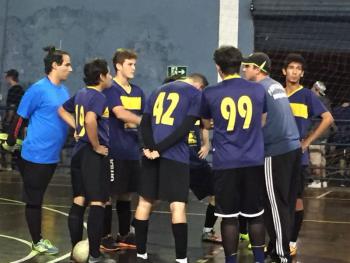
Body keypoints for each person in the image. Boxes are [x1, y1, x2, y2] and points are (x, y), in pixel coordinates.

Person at [201, 46, 267, 263]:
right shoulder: (258, 90)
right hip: (253, 161)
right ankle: (258, 260)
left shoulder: (210, 93)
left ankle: (230, 261)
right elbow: (262, 120)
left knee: (229, 218)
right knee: (255, 215)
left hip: (225, 162)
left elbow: (207, 123)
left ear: (218, 67)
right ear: (240, 65)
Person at [5, 46, 72, 254]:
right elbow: (20, 117)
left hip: (51, 156)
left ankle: (38, 240)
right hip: (35, 155)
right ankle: (37, 241)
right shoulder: (38, 89)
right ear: (55, 65)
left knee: (38, 196)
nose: (71, 69)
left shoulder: (63, 90)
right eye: (67, 64)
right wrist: (11, 140)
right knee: (35, 200)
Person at [134, 75, 202, 263]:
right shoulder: (194, 93)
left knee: (144, 203)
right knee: (177, 206)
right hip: (175, 157)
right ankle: (181, 259)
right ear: (196, 83)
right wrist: (160, 149)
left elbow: (144, 123)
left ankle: (140, 253)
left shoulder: (156, 90)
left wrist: (149, 148)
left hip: (150, 155)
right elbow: (185, 128)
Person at [242, 52, 301, 263]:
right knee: (284, 204)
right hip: (293, 149)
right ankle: (277, 245)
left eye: (247, 66)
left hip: (276, 151)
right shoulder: (275, 84)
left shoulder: (257, 89)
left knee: (275, 205)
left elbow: (260, 122)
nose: (244, 70)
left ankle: (281, 252)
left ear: (258, 69)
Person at [59, 58, 115, 263]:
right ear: (101, 76)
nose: (109, 77)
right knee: (98, 202)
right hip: (92, 154)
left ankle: (76, 252)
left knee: (79, 199)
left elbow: (62, 110)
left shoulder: (81, 93)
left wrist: (77, 128)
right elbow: (91, 120)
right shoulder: (98, 96)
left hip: (78, 152)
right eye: (108, 74)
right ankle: (94, 255)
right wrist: (97, 145)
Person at [282, 53, 334, 256]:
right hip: (276, 155)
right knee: (276, 201)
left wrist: (307, 141)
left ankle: (292, 241)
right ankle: (278, 240)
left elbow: (327, 118)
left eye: (298, 68)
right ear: (284, 71)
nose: (294, 71)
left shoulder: (307, 95)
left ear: (302, 73)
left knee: (295, 200)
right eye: (291, 67)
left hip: (297, 156)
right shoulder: (275, 93)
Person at [164, 73, 221, 243]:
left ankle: (207, 230)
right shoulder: (170, 105)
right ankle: (134, 228)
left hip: (196, 160)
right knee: (158, 201)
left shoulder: (196, 103)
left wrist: (206, 145)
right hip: (177, 160)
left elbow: (205, 125)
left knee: (216, 193)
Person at [100, 48, 145, 251]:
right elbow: (120, 114)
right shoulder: (111, 90)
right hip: (113, 150)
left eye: (134, 64)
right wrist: (145, 123)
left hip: (131, 151)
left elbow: (138, 116)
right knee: (109, 194)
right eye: (129, 64)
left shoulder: (138, 91)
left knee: (127, 194)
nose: (133, 68)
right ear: (118, 66)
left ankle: (125, 234)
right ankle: (104, 236)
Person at [309, 81, 332, 188]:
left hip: (316, 132)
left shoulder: (314, 100)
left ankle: (317, 181)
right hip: (325, 132)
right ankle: (323, 181)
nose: (311, 89)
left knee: (315, 158)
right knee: (322, 158)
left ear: (316, 89)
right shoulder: (326, 100)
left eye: (313, 87)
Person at [2, 69, 24, 170]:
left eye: (6, 77)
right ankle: (15, 165)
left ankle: (9, 165)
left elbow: (11, 107)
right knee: (18, 142)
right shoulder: (21, 90)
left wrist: (7, 121)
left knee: (7, 142)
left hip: (12, 121)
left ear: (10, 77)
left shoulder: (12, 90)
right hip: (20, 121)